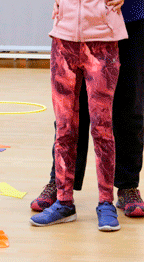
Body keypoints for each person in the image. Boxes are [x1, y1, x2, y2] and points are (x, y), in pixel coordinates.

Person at [31, 0, 144, 218]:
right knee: (69, 111)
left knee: (129, 103)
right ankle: (61, 182)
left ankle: (128, 185)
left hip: (130, 16)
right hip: (78, 22)